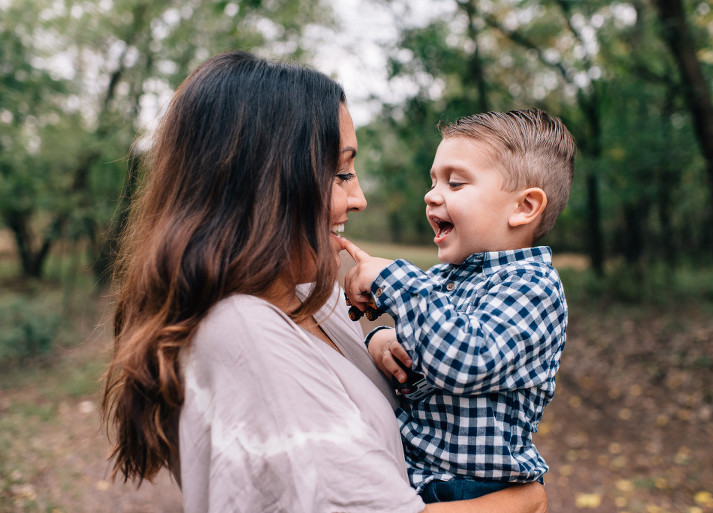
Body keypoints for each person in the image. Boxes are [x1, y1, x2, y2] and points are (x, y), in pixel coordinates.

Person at [101, 51, 548, 512]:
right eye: (340, 173)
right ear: (263, 185)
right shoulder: (244, 331)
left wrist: (385, 343)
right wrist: (526, 500)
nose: (359, 198)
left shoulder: (314, 299)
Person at [342, 108, 575, 503]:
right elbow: (423, 341)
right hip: (417, 477)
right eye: (433, 181)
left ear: (523, 207)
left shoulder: (534, 289)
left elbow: (468, 358)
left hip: (472, 489)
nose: (432, 195)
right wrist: (382, 340)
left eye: (456, 183)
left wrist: (394, 279)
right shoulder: (444, 279)